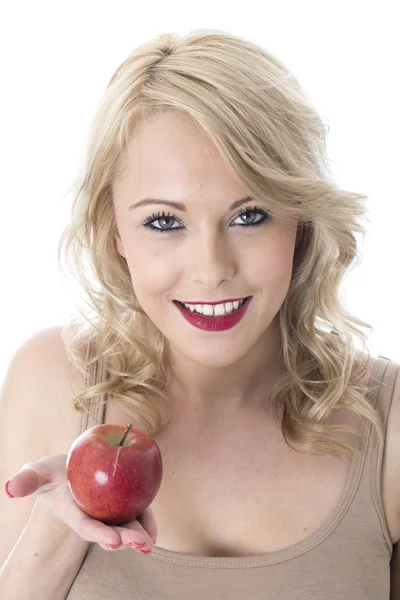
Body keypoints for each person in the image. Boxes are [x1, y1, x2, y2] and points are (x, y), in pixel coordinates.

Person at [1, 28, 399, 599]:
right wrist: (60, 526)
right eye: (165, 221)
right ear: (114, 231)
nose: (211, 269)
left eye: (250, 215)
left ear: (302, 222)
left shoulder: (390, 425)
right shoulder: (52, 381)